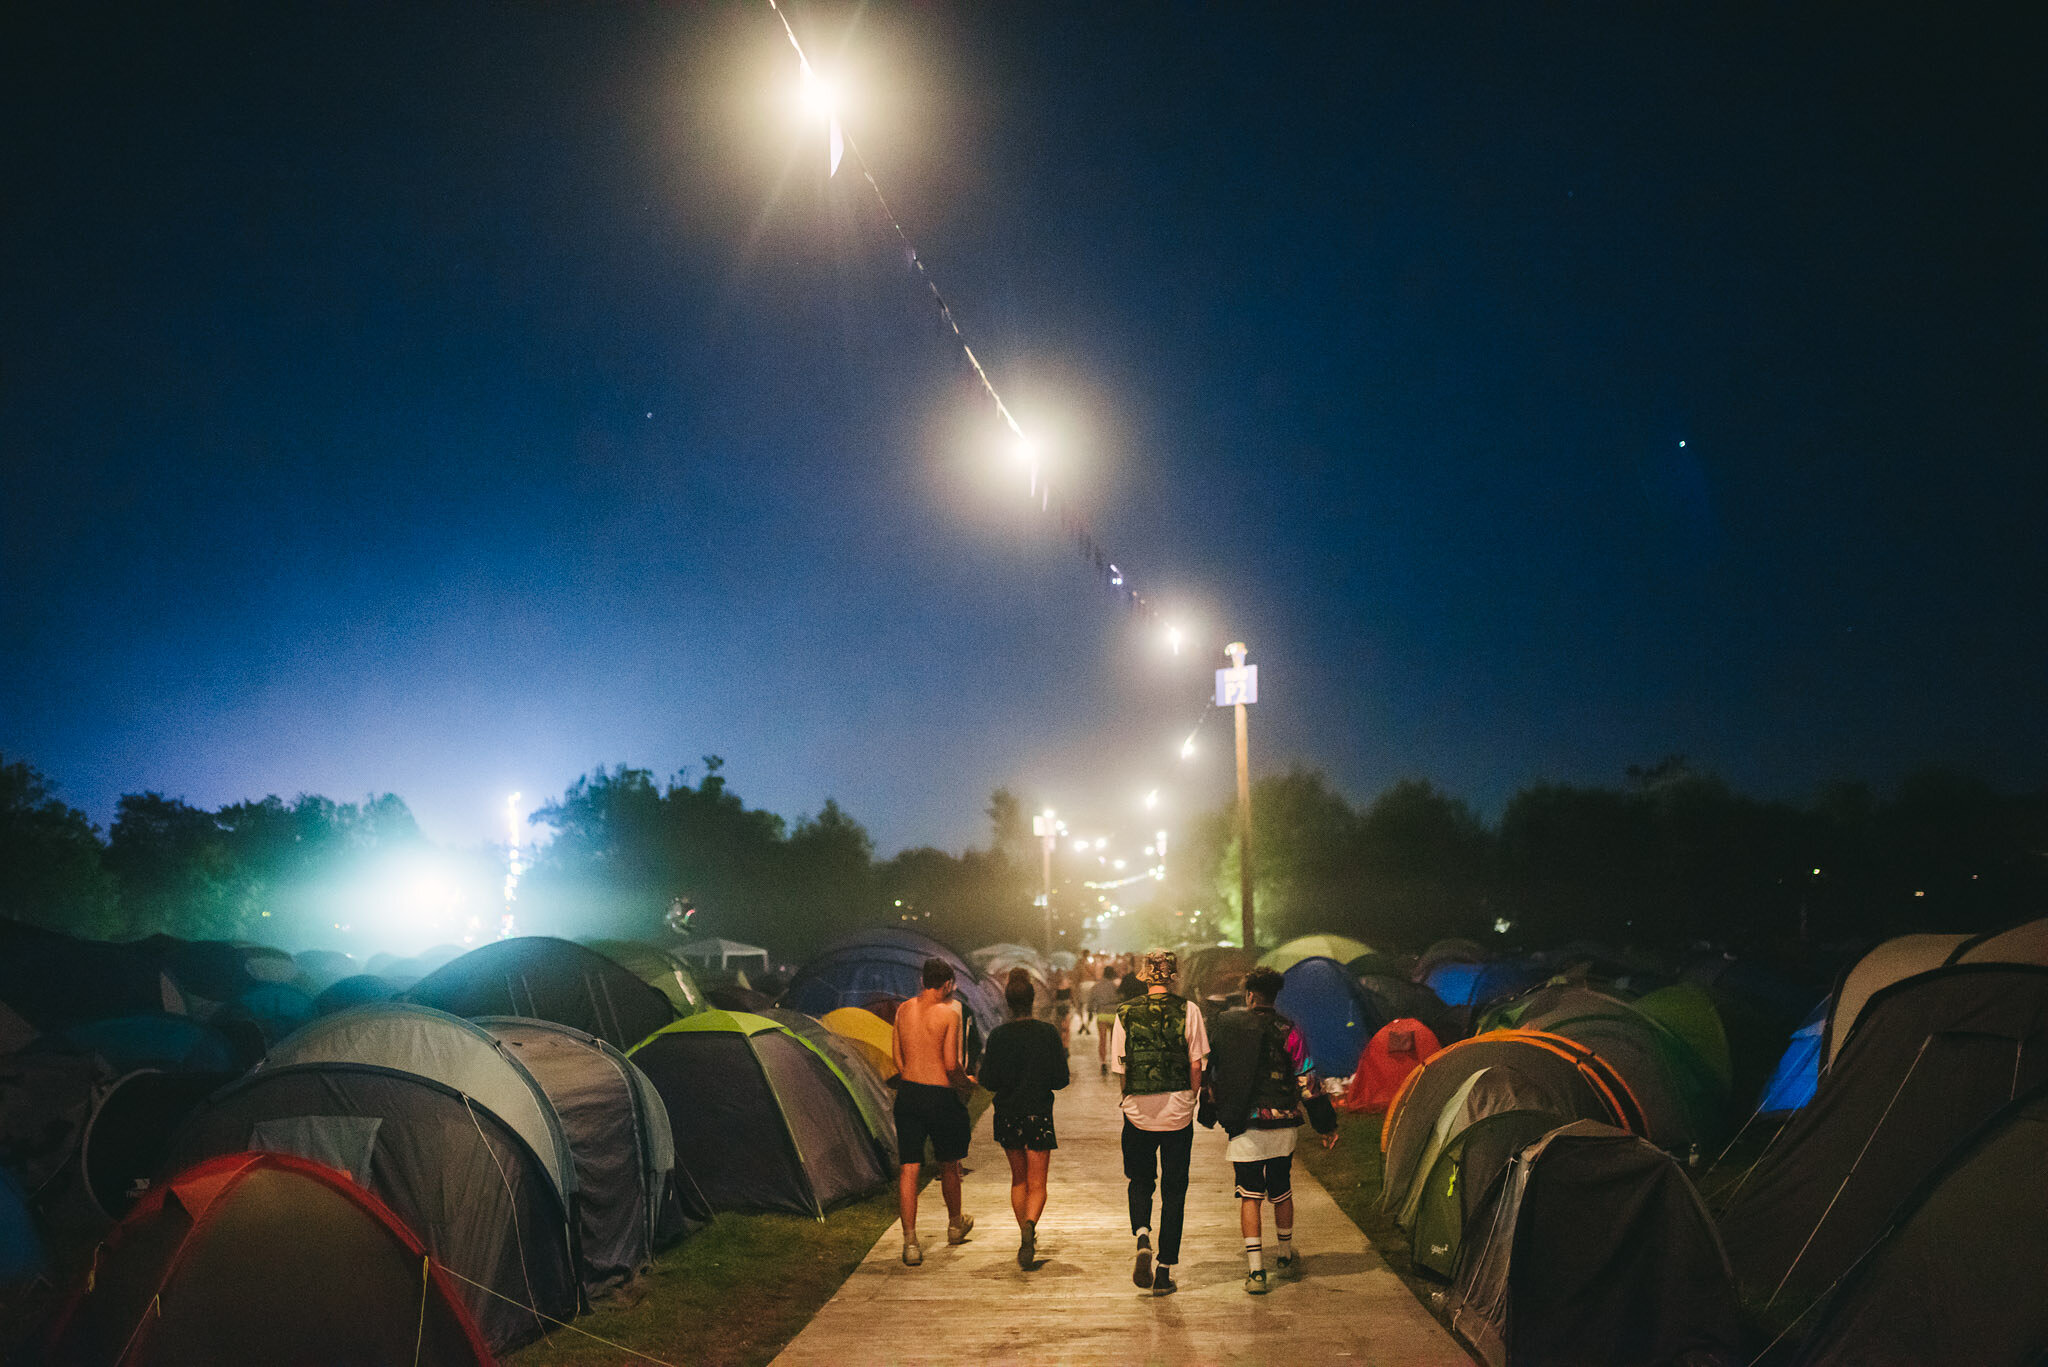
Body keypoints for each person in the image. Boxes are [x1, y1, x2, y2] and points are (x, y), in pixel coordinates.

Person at [1202, 965, 1339, 1295]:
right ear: (1275, 996)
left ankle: (1256, 1271)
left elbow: (1214, 1071)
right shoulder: (1290, 1030)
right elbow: (1308, 1081)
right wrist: (1325, 1123)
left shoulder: (1228, 1026)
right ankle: (1286, 1254)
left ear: (1250, 995)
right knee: (1281, 1188)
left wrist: (1210, 1110)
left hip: (1246, 1124)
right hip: (1283, 1122)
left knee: (1250, 1194)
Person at [1110, 948, 1208, 1296]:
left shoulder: (1125, 1012)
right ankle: (1164, 1270)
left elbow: (1121, 1067)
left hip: (1137, 1110)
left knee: (1140, 1181)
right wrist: (1192, 1098)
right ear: (1173, 976)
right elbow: (1196, 1063)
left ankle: (1141, 1235)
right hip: (1178, 1111)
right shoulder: (1189, 1010)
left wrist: (1127, 1099)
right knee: (1174, 1191)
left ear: (1144, 976)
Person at [978, 966, 1070, 1268]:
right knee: (1038, 1184)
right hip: (1038, 1113)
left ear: (1007, 1003)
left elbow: (988, 1081)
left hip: (1007, 1114)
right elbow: (1061, 1079)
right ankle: (1030, 1226)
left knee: (1018, 1180)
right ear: (1033, 1001)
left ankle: (1024, 1233)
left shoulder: (998, 1036)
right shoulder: (1047, 1034)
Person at [891, 956, 975, 1265]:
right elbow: (951, 1064)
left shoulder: (903, 1010)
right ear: (948, 984)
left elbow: (898, 1060)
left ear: (922, 981)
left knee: (909, 1168)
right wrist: (966, 1084)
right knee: (949, 1163)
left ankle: (910, 1242)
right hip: (940, 1097)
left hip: (909, 1094)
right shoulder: (948, 1014)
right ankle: (955, 1224)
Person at [1087, 965, 1122, 1076]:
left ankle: (1103, 1063)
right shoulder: (1117, 985)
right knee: (1114, 1041)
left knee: (1102, 1040)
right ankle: (1115, 1063)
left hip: (1102, 1014)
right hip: (1114, 1014)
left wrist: (1090, 1012)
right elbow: (1122, 998)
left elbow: (1091, 1001)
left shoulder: (1096, 987)